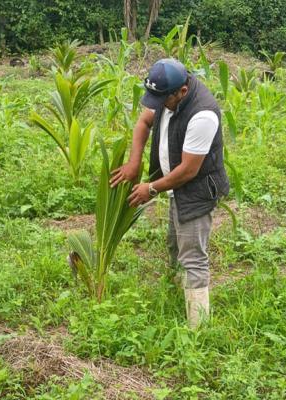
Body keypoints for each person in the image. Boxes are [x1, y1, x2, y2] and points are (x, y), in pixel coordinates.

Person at [110, 58, 229, 328]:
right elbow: (143, 122)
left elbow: (188, 170)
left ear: (182, 92)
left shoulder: (203, 114)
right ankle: (178, 299)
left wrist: (150, 188)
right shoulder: (168, 97)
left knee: (193, 257)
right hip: (175, 188)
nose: (157, 105)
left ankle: (198, 329)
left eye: (162, 99)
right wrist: (134, 162)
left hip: (196, 190)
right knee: (175, 247)